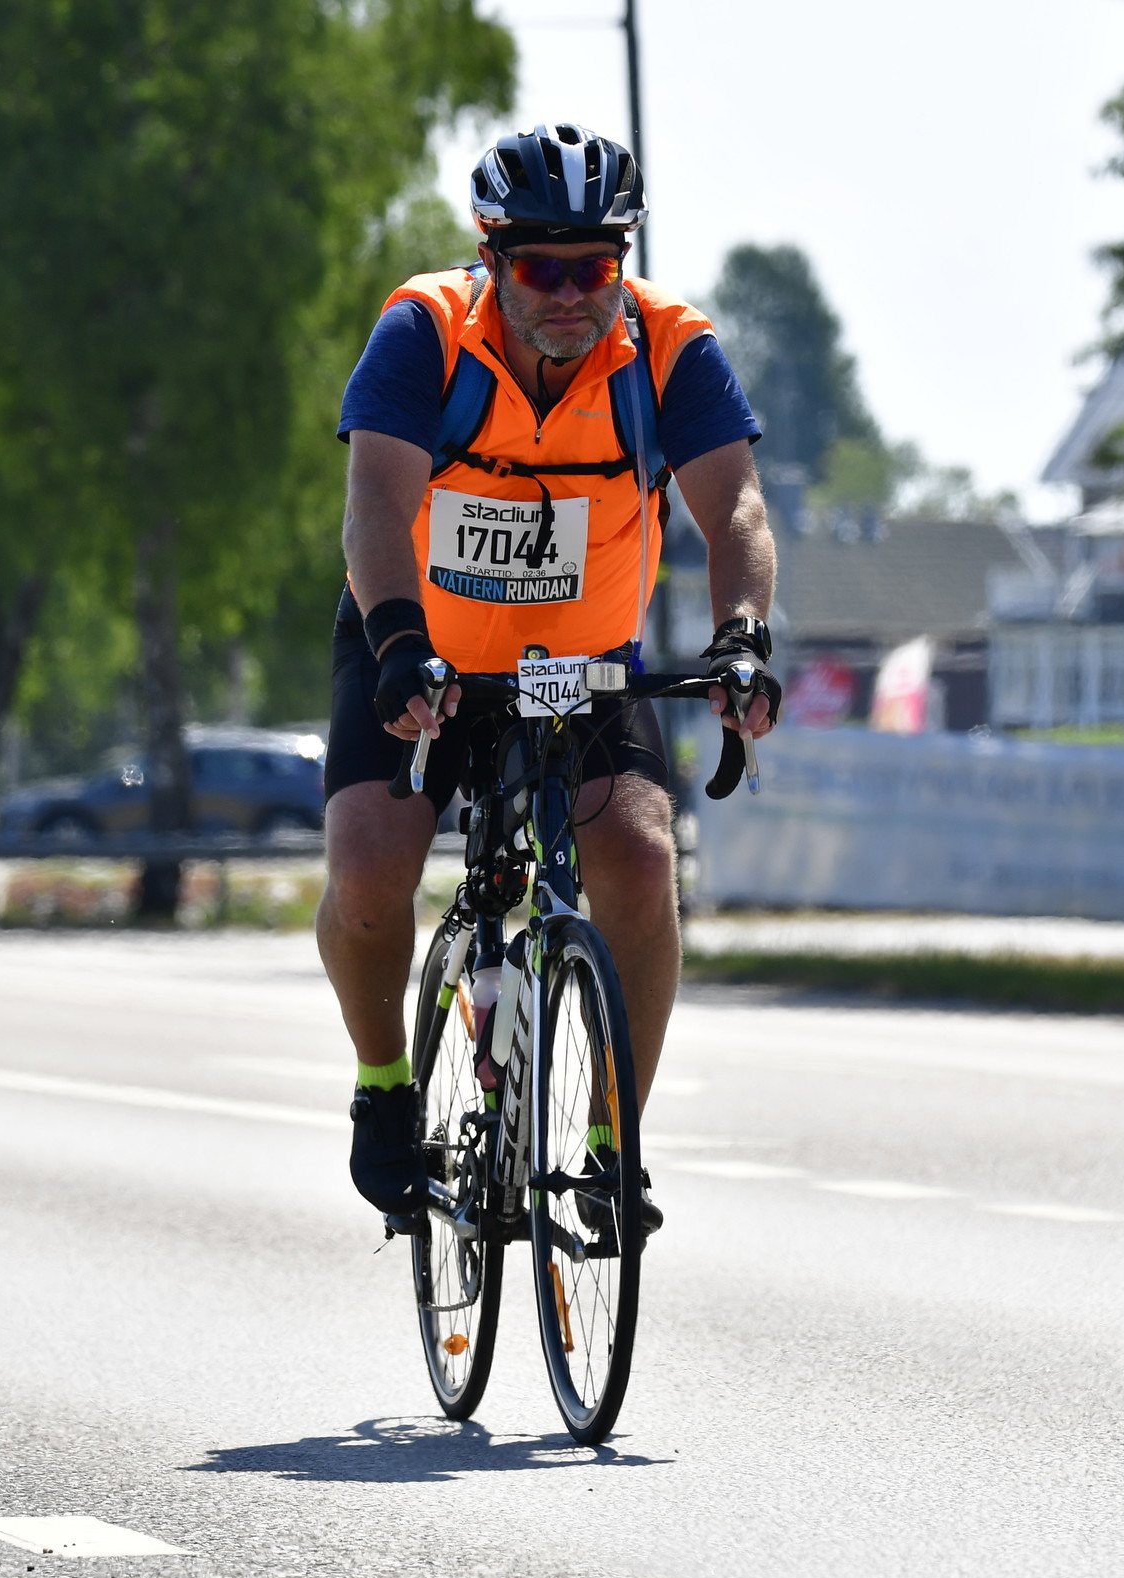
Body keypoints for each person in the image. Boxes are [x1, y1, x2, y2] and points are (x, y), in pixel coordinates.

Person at [320, 123, 779, 1227]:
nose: (572, 293)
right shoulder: (425, 332)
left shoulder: (669, 349)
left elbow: (736, 508)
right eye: (541, 268)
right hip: (419, 647)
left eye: (595, 266)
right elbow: (375, 504)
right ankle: (384, 1086)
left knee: (640, 860)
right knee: (370, 866)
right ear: (492, 258)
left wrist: (742, 636)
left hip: (585, 669)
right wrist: (397, 641)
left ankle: (613, 1148)